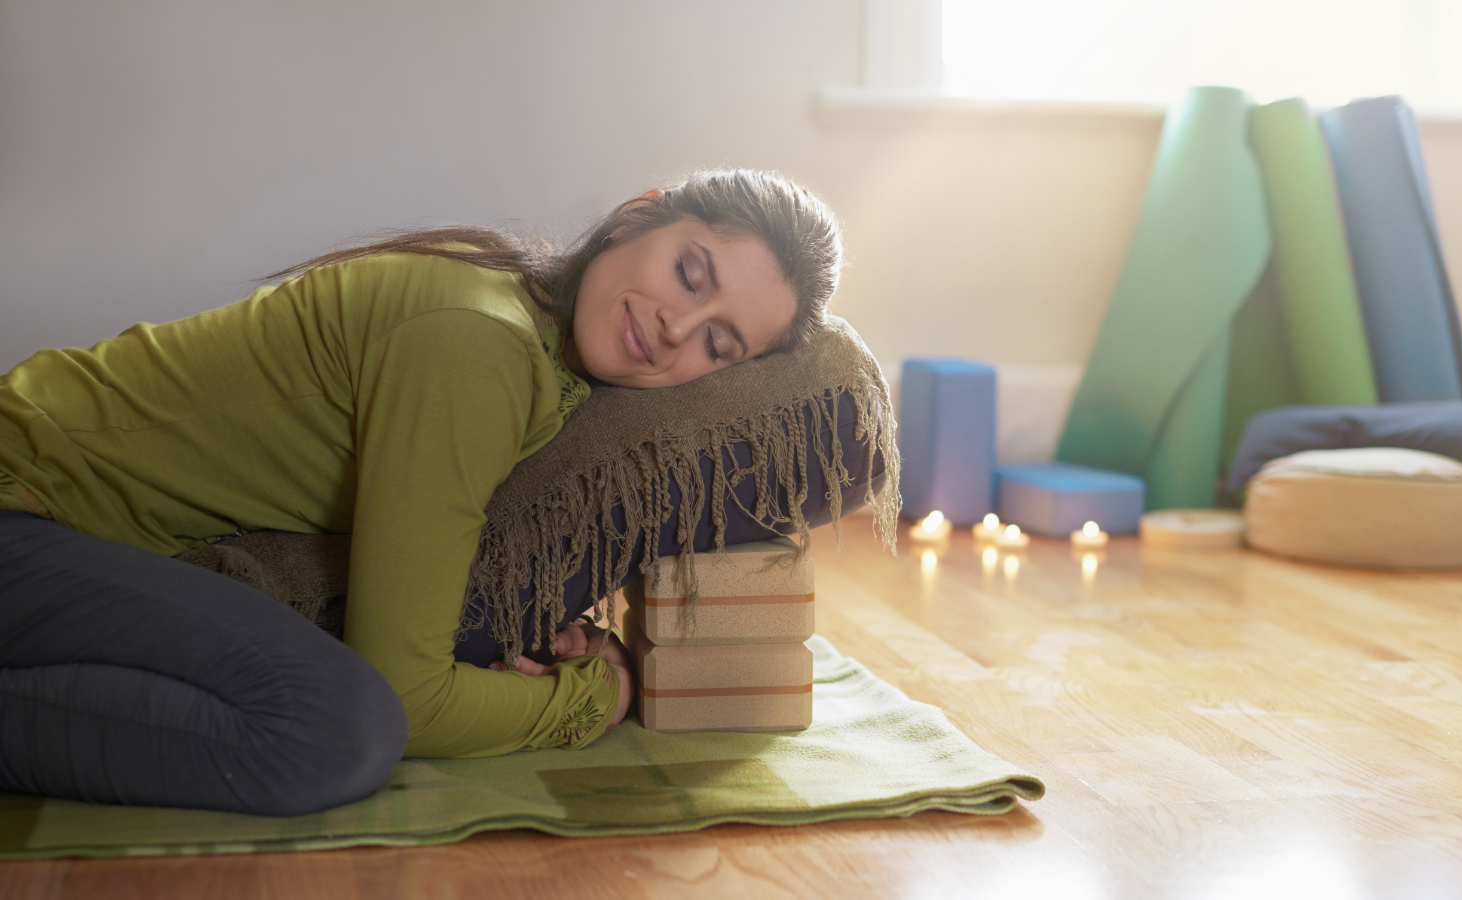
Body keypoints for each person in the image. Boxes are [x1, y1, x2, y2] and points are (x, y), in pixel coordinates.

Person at [0, 168, 842, 816]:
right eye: (691, 274)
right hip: (24, 500)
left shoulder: (541, 350)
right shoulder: (480, 342)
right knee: (340, 729)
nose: (675, 330)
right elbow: (406, 692)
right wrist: (598, 694)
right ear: (638, 213)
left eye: (718, 344)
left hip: (55, 530)